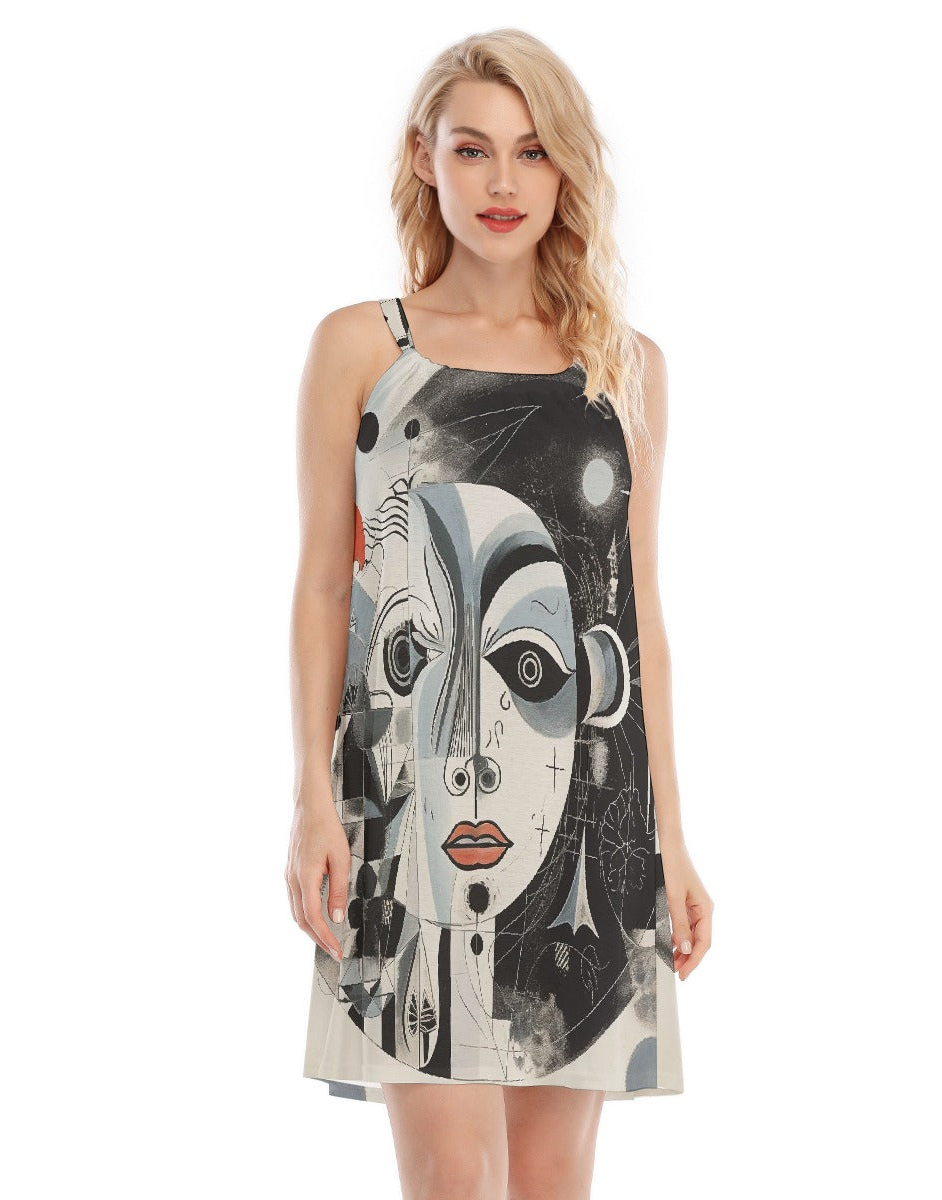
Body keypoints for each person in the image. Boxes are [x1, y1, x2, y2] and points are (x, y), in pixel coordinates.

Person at [285, 27, 714, 1199]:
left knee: (553, 1181)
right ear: (423, 159)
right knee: (452, 1181)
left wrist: (669, 840)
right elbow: (325, 584)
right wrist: (314, 800)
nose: (502, 181)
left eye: (532, 151)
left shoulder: (623, 368)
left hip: (583, 809)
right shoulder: (362, 348)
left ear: (566, 170)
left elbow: (637, 613)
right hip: (403, 801)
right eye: (472, 149)